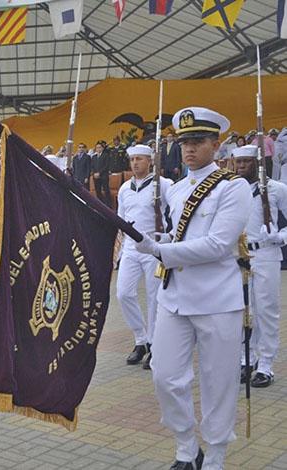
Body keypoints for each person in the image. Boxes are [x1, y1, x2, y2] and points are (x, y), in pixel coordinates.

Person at [136, 107, 251, 470]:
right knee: (165, 376)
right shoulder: (177, 189)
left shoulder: (234, 189)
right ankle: (186, 446)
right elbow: (180, 233)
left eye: (198, 141)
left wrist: (160, 250)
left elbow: (219, 244)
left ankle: (215, 454)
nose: (189, 149)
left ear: (215, 144)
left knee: (218, 384)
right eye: (184, 142)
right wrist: (161, 239)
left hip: (217, 299)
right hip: (174, 297)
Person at [233, 144, 287, 388]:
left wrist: (281, 236)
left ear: (258, 163)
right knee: (244, 311)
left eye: (247, 162)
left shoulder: (276, 190)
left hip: (266, 253)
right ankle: (247, 358)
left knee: (266, 311)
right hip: (240, 256)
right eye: (238, 162)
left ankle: (265, 364)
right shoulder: (232, 190)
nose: (242, 166)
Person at [116, 144, 171, 370]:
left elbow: (177, 213)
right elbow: (120, 219)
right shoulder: (124, 188)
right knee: (123, 293)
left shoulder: (164, 185)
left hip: (153, 246)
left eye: (140, 159)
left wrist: (167, 238)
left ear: (150, 161)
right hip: (131, 246)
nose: (135, 163)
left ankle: (154, 345)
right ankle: (140, 339)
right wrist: (118, 250)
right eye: (132, 160)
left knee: (153, 298)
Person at [91, 141, 112, 207]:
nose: (98, 149)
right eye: (97, 148)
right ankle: (100, 205)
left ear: (102, 148)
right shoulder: (94, 157)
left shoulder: (106, 155)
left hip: (103, 176)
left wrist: (99, 173)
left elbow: (106, 166)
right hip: (96, 176)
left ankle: (108, 206)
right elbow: (92, 166)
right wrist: (94, 173)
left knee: (106, 190)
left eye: (99, 147)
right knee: (98, 191)